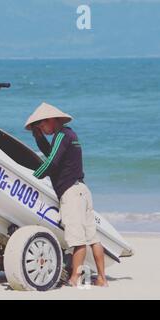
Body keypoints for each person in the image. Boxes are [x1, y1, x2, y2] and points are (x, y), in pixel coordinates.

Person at [25, 102, 108, 287]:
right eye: (38, 127)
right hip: (82, 190)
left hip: (72, 193)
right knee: (93, 238)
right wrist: (38, 138)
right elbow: (53, 154)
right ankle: (102, 278)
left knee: (77, 239)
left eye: (41, 125)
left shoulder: (62, 135)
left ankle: (75, 278)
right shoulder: (67, 134)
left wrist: (32, 176)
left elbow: (52, 162)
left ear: (52, 120)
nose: (41, 128)